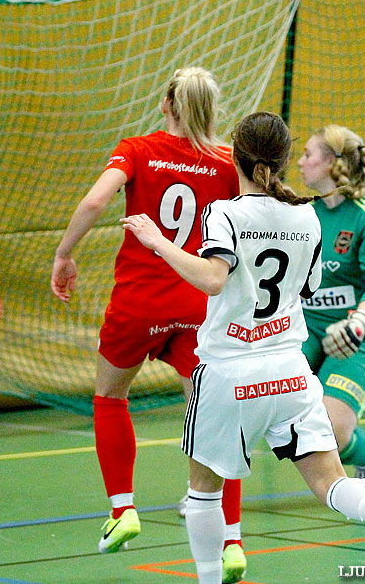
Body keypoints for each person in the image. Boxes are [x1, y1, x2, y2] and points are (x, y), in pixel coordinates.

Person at [122, 112, 365, 584]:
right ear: (279, 161)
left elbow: (213, 279)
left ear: (235, 156)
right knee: (331, 482)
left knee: (203, 494)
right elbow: (309, 288)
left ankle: (211, 579)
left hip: (228, 373)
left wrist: (157, 242)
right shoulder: (308, 217)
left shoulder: (226, 213)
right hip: (290, 373)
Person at [51, 67, 247, 582]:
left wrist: (64, 253)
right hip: (198, 302)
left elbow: (96, 200)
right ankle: (231, 540)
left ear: (167, 103)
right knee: (214, 416)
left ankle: (123, 510)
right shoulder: (228, 161)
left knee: (111, 396)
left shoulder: (137, 149)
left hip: (139, 301)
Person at [297, 125, 365, 493]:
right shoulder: (302, 214)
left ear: (332, 163)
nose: (301, 162)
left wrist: (355, 325)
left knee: (329, 432)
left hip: (358, 336)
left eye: (308, 154)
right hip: (307, 330)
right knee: (261, 401)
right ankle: (209, 492)